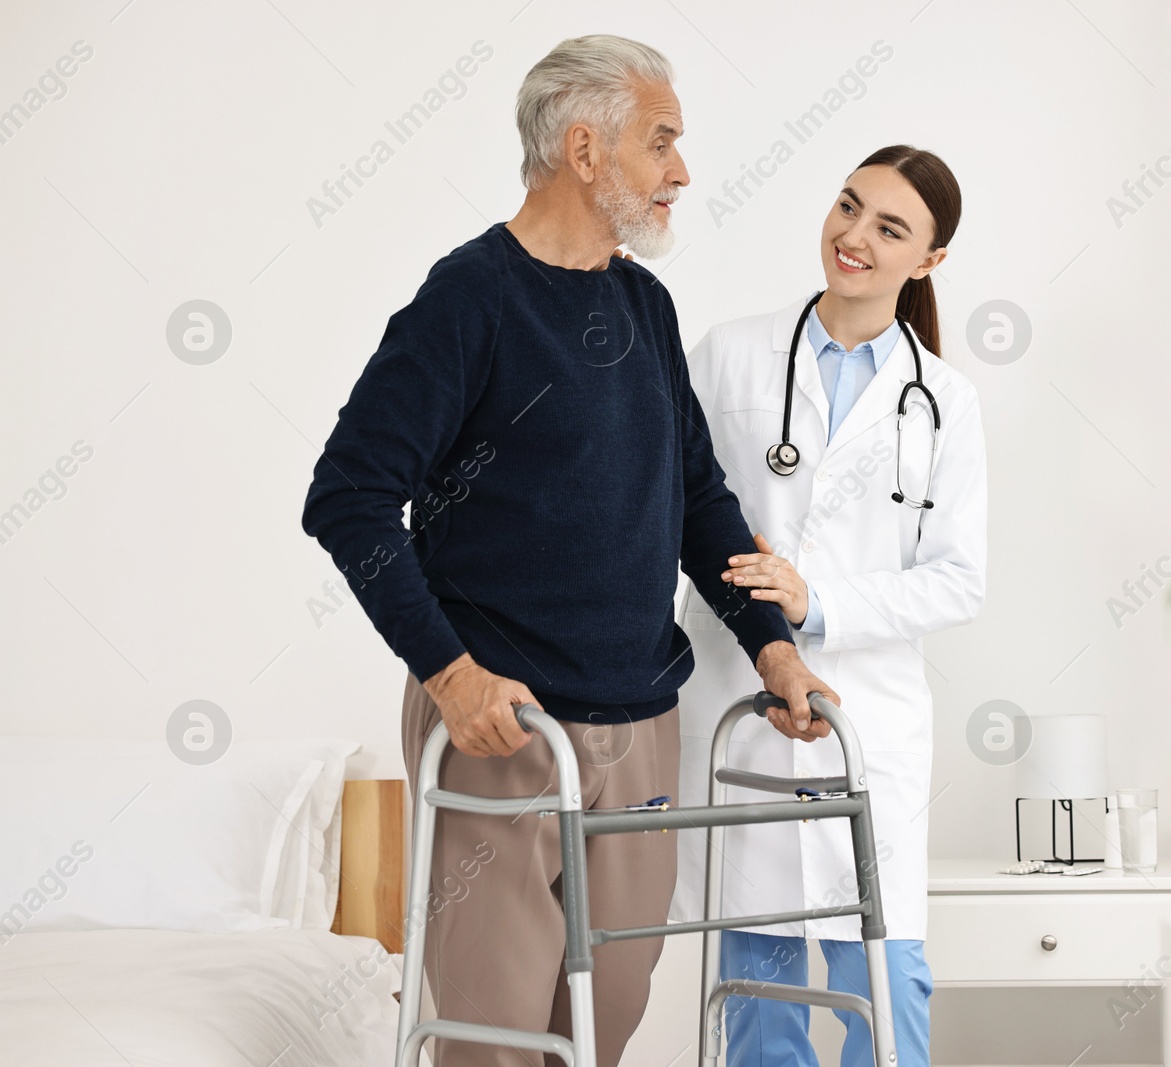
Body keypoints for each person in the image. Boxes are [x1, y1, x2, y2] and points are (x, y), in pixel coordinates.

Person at [300, 35, 837, 1067]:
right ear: (584, 149)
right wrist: (449, 675)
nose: (682, 171)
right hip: (503, 729)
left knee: (599, 1029)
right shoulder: (471, 299)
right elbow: (349, 498)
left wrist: (772, 647)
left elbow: (696, 498)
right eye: (662, 142)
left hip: (639, 727)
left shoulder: (643, 303)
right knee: (489, 1038)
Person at [669, 145, 988, 1067]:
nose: (853, 236)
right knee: (760, 999)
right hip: (744, 702)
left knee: (883, 1000)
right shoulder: (729, 354)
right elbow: (678, 517)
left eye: (889, 228)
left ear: (926, 260)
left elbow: (959, 577)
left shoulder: (946, 403)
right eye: (848, 208)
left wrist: (817, 603)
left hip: (867, 724)